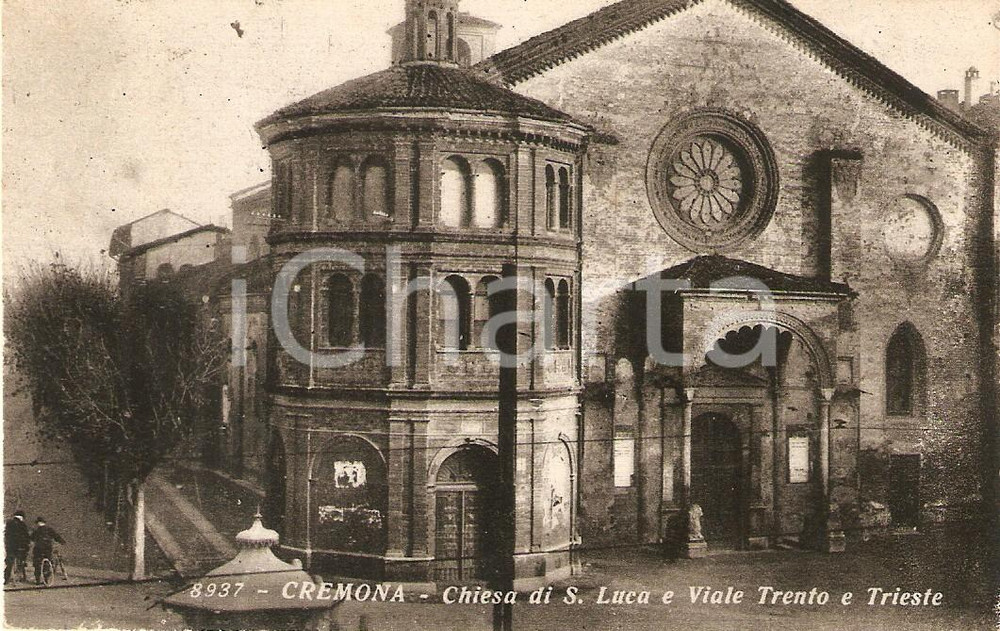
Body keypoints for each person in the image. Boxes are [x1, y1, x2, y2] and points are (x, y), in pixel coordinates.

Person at [31, 517, 64, 584]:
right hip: (47, 549)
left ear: (38, 523)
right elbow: (56, 536)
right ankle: (46, 579)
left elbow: (31, 538)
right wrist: (62, 542)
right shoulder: (49, 529)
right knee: (47, 563)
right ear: (44, 522)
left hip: (38, 549)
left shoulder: (36, 531)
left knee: (37, 564)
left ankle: (37, 580)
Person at [4, 510, 31, 585]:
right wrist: (27, 544)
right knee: (21, 561)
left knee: (9, 563)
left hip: (10, 546)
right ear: (21, 517)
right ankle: (21, 576)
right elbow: (26, 536)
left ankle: (6, 579)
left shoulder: (9, 523)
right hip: (20, 547)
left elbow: (6, 534)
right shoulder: (22, 524)